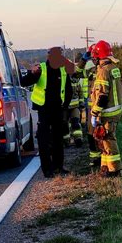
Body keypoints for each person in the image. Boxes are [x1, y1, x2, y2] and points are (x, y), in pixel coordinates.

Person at [21, 47, 74, 178]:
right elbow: (24, 82)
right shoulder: (41, 69)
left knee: (58, 140)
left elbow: (68, 90)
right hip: (43, 110)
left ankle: (58, 167)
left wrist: (65, 107)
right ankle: (47, 170)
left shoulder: (63, 70)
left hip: (57, 109)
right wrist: (32, 74)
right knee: (44, 141)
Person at [90, 40, 122, 177]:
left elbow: (102, 96)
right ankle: (105, 167)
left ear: (99, 56)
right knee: (104, 139)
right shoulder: (113, 68)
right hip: (114, 110)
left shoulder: (103, 72)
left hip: (107, 112)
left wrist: (94, 113)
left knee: (109, 140)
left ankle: (115, 170)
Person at [74, 46, 100, 166]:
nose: (94, 59)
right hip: (92, 108)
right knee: (91, 133)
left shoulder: (106, 70)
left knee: (104, 135)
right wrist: (83, 60)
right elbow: (76, 73)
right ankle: (95, 158)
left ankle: (105, 160)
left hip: (102, 109)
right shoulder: (92, 71)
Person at [62, 76, 84, 147]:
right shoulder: (61, 79)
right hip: (64, 108)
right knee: (64, 125)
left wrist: (81, 103)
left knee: (75, 123)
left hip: (75, 107)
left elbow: (80, 92)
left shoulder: (75, 80)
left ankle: (78, 139)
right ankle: (66, 141)